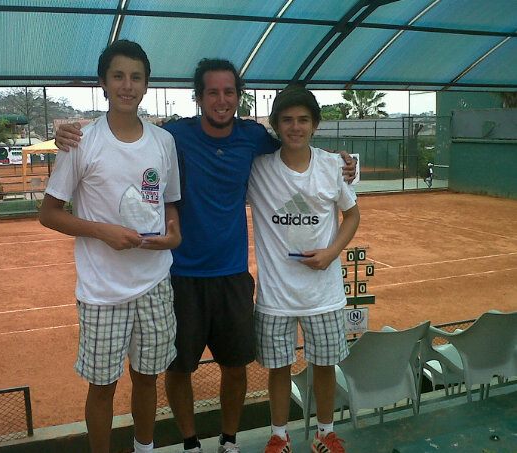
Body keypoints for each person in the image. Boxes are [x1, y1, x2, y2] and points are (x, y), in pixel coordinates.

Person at [55, 59, 356, 453]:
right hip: (180, 277)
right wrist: (65, 131)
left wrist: (342, 160)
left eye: (229, 92)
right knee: (178, 370)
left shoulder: (254, 138)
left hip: (232, 276)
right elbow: (131, 138)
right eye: (212, 92)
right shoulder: (172, 136)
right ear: (198, 98)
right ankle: (190, 443)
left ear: (238, 97)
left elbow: (298, 145)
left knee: (236, 368)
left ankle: (229, 441)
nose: (221, 100)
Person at [40, 40, 181, 453]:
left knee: (147, 378)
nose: (127, 85)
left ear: (146, 85)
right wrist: (104, 232)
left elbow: (168, 201)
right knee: (101, 386)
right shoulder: (80, 141)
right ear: (103, 83)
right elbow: (49, 213)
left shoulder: (163, 141)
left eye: (136, 77)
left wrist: (174, 234)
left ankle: (145, 448)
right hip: (102, 293)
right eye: (118, 76)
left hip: (155, 283)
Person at [247, 85, 359, 453]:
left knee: (324, 366)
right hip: (276, 297)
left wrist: (331, 252)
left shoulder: (331, 166)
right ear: (277, 125)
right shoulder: (258, 168)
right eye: (287, 120)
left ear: (315, 125)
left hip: (323, 294)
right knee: (278, 370)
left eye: (303, 120)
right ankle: (279, 436)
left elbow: (351, 215)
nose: (295, 127)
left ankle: (325, 433)